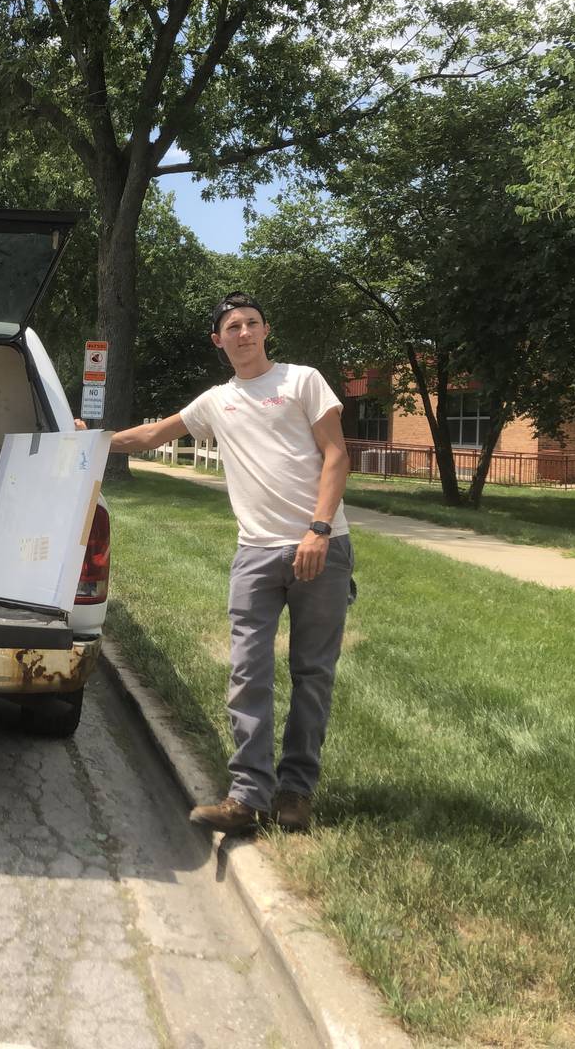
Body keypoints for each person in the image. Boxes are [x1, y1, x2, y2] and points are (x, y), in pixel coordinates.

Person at [107, 293, 354, 835]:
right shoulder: (216, 401)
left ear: (266, 331)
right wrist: (93, 440)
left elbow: (336, 454)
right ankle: (247, 796)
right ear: (217, 340)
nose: (243, 333)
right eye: (232, 327)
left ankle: (295, 793)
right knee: (248, 672)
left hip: (321, 547)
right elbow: (151, 435)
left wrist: (318, 529)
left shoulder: (302, 381)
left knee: (312, 674)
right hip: (255, 552)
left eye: (252, 324)